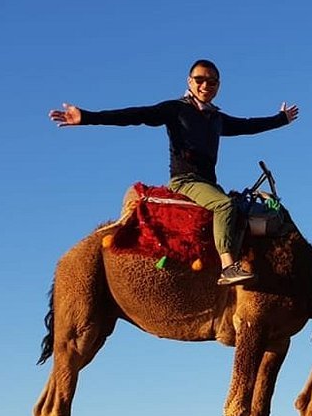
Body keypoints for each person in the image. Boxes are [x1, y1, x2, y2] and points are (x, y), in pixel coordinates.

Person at [49, 60, 299, 285]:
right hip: (185, 181)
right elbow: (136, 115)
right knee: (225, 206)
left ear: (218, 85)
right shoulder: (175, 109)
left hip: (208, 183)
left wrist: (281, 119)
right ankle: (227, 267)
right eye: (200, 80)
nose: (205, 85)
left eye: (212, 81)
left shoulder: (216, 118)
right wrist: (86, 117)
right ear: (190, 82)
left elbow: (247, 125)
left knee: (242, 214)